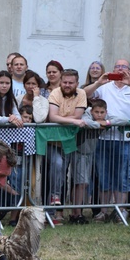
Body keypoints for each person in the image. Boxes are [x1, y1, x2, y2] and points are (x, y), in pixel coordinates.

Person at [90, 59, 130, 223]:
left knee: (123, 176)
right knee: (104, 176)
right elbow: (85, 95)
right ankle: (103, 212)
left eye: (124, 67)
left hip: (127, 139)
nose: (120, 69)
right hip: (104, 138)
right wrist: (98, 83)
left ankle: (120, 211)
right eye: (118, 67)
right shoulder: (104, 87)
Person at [46, 69, 87, 222]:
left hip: (69, 140)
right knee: (56, 165)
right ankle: (54, 197)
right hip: (52, 140)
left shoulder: (81, 93)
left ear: (77, 83)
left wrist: (63, 119)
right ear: (60, 82)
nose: (67, 85)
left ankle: (55, 210)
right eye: (65, 82)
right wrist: (73, 121)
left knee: (63, 172)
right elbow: (52, 116)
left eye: (71, 82)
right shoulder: (55, 93)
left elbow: (78, 115)